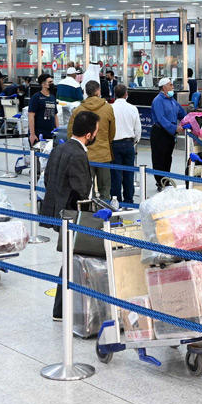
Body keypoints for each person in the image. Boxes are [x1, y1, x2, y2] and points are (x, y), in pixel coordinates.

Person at [40, 109, 99, 321]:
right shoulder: (78, 155)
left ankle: (63, 309)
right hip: (73, 216)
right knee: (72, 260)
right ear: (89, 134)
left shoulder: (59, 148)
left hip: (57, 211)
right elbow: (82, 190)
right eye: (96, 131)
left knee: (70, 260)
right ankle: (61, 310)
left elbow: (47, 178)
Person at [68, 80, 115, 200]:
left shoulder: (78, 110)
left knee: (87, 188)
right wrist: (106, 142)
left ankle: (89, 210)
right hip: (103, 154)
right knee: (105, 188)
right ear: (98, 91)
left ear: (85, 92)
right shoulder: (108, 108)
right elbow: (112, 132)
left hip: (84, 155)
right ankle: (105, 209)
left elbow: (70, 133)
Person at [150, 77, 185, 189]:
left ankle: (166, 180)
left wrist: (189, 120)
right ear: (164, 87)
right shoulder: (158, 101)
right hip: (160, 133)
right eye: (170, 85)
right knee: (159, 158)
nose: (173, 87)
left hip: (170, 133)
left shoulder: (172, 100)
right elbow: (161, 119)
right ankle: (160, 181)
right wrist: (174, 128)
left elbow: (181, 112)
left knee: (167, 158)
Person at [109, 83, 141, 204]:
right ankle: (129, 200)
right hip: (128, 144)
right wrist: (135, 141)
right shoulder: (133, 108)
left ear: (114, 94)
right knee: (129, 173)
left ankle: (116, 200)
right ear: (126, 94)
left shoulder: (110, 108)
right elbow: (138, 129)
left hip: (114, 144)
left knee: (115, 174)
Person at [28, 73, 58, 146]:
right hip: (39, 134)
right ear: (43, 84)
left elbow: (55, 115)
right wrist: (32, 134)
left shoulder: (52, 97)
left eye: (52, 82)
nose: (52, 84)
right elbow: (31, 116)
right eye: (50, 82)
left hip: (50, 134)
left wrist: (58, 130)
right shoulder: (36, 97)